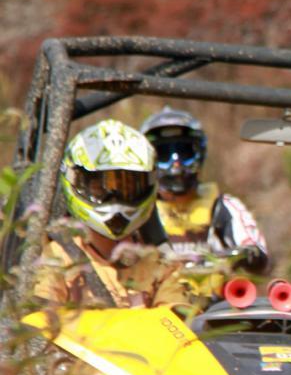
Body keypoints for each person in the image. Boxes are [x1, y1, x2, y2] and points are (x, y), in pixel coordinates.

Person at [35, 119, 194, 310]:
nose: (115, 199)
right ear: (76, 182)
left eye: (127, 187)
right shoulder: (56, 260)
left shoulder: (162, 267)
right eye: (100, 187)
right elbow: (39, 320)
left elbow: (179, 320)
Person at [140, 107, 268, 273]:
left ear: (199, 154)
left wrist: (243, 256)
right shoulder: (141, 212)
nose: (176, 165)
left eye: (184, 152)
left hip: (216, 288)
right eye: (164, 154)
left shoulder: (223, 206)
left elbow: (255, 251)